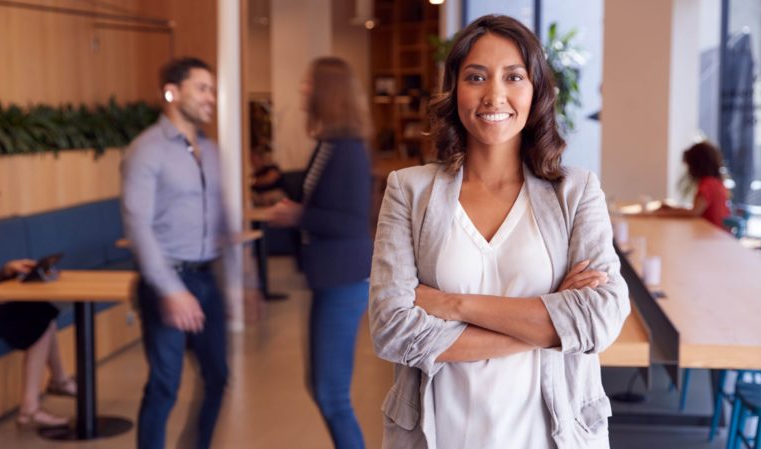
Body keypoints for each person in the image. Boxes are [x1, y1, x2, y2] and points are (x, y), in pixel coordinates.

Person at [369, 15, 629, 449]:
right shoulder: (409, 191)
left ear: (536, 91)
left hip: (550, 436)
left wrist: (452, 303)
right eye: (476, 77)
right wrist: (548, 323)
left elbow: (599, 318)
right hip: (442, 435)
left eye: (514, 77)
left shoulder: (576, 192)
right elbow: (393, 329)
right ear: (454, 91)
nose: (495, 95)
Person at [121, 57, 229, 449]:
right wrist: (170, 289)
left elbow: (222, 220)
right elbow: (138, 226)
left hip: (206, 277)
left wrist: (242, 279)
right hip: (165, 279)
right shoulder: (146, 151)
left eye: (212, 90)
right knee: (165, 385)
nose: (211, 98)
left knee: (217, 377)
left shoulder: (212, 152)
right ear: (172, 91)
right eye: (202, 88)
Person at [267, 56, 373, 449]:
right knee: (323, 388)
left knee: (332, 394)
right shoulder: (330, 144)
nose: (302, 89)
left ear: (327, 91)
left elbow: (350, 220)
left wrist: (299, 215)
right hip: (330, 278)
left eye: (309, 82)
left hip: (342, 280)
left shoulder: (346, 149)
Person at [0, 180, 75, 429]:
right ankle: (37, 401)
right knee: (40, 316)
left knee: (42, 311)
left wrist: (7, 270)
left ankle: (38, 400)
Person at [654, 141, 731, 229]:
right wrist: (673, 209)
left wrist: (661, 214)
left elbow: (694, 212)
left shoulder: (708, 184)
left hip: (712, 234)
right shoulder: (716, 182)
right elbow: (697, 210)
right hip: (715, 232)